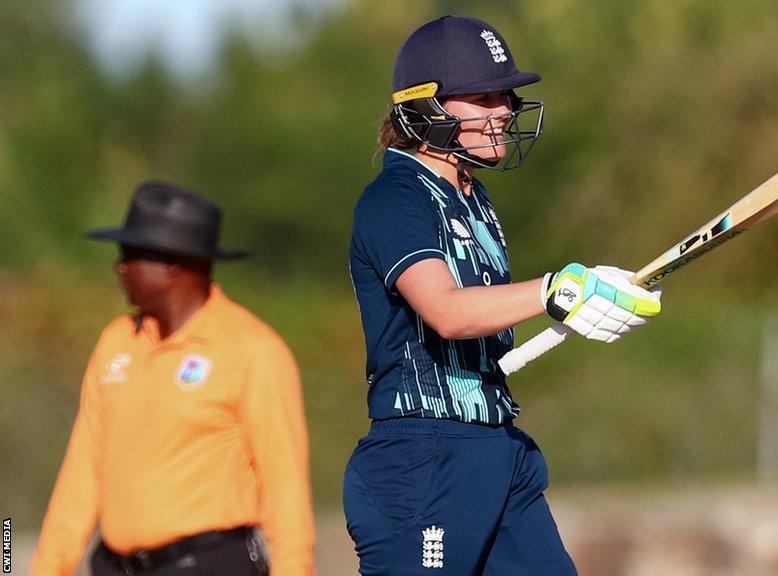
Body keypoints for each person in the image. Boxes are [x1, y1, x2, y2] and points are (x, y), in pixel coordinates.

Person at [344, 15, 663, 575]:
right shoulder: (394, 197)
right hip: (423, 457)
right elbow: (444, 311)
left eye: (506, 97)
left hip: (498, 448)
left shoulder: (475, 198)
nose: (505, 112)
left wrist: (573, 300)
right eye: (482, 98)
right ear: (425, 109)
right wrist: (555, 289)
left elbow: (495, 315)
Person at [31, 182, 315, 576]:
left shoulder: (253, 350)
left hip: (207, 565)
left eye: (130, 254)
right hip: (116, 566)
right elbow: (82, 471)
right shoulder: (117, 341)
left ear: (172, 264)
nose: (119, 266)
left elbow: (285, 488)